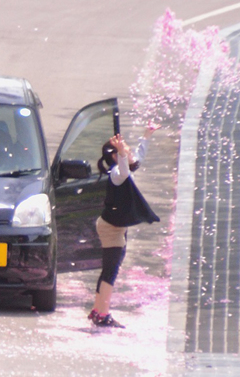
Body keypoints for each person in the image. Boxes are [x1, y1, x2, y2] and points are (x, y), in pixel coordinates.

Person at [89, 125, 160, 328]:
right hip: (111, 228)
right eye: (125, 152)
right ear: (116, 157)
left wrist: (146, 136)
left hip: (115, 226)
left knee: (108, 270)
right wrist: (121, 152)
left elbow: (138, 157)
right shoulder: (117, 174)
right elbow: (124, 166)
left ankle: (97, 310)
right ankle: (103, 314)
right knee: (111, 271)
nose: (130, 154)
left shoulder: (125, 171)